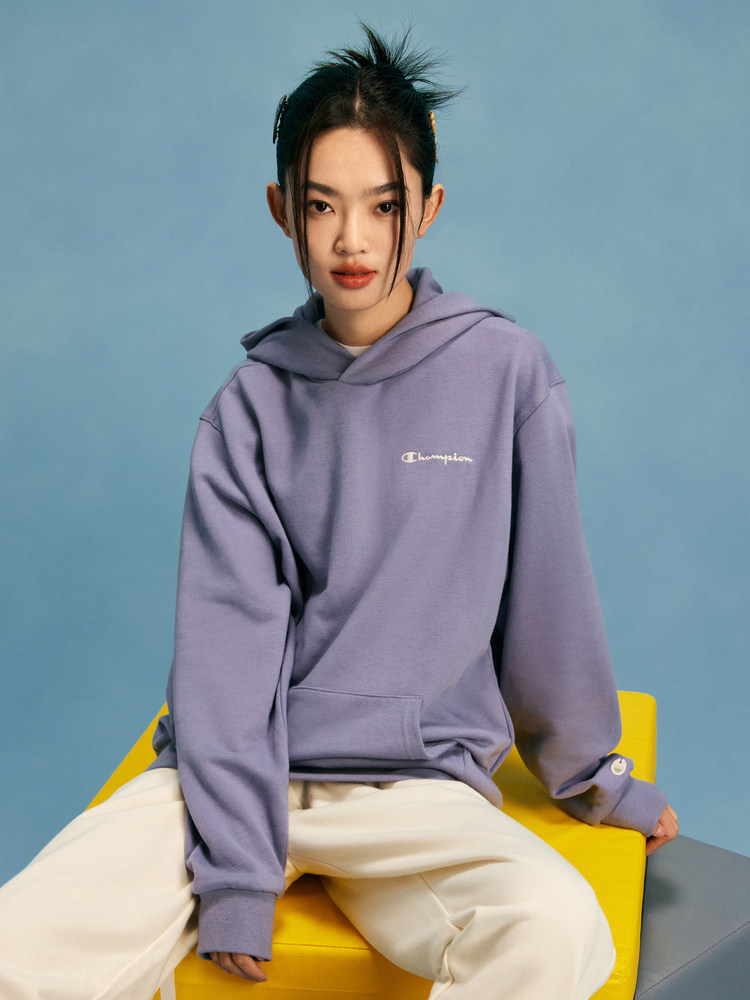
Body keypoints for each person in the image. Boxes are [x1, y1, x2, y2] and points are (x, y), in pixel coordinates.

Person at [0, 25, 678, 1000]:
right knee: (18, 944)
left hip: (417, 792)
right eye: (321, 205)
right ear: (282, 210)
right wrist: (237, 877)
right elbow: (228, 658)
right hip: (228, 782)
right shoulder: (246, 410)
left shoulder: (507, 375)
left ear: (428, 208)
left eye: (382, 205)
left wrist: (593, 778)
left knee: (555, 929)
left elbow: (549, 609)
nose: (351, 240)